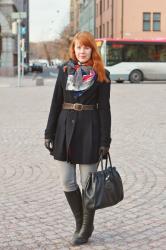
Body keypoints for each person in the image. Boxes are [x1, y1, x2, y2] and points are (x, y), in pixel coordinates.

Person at [44, 31, 112, 245]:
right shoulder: (64, 71)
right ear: (73, 49)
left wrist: (105, 141)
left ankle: (84, 229)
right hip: (64, 128)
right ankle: (82, 223)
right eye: (78, 47)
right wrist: (49, 132)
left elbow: (105, 110)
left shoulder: (102, 74)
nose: (82, 51)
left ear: (92, 49)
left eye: (86, 47)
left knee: (87, 184)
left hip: (89, 129)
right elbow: (56, 102)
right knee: (67, 181)